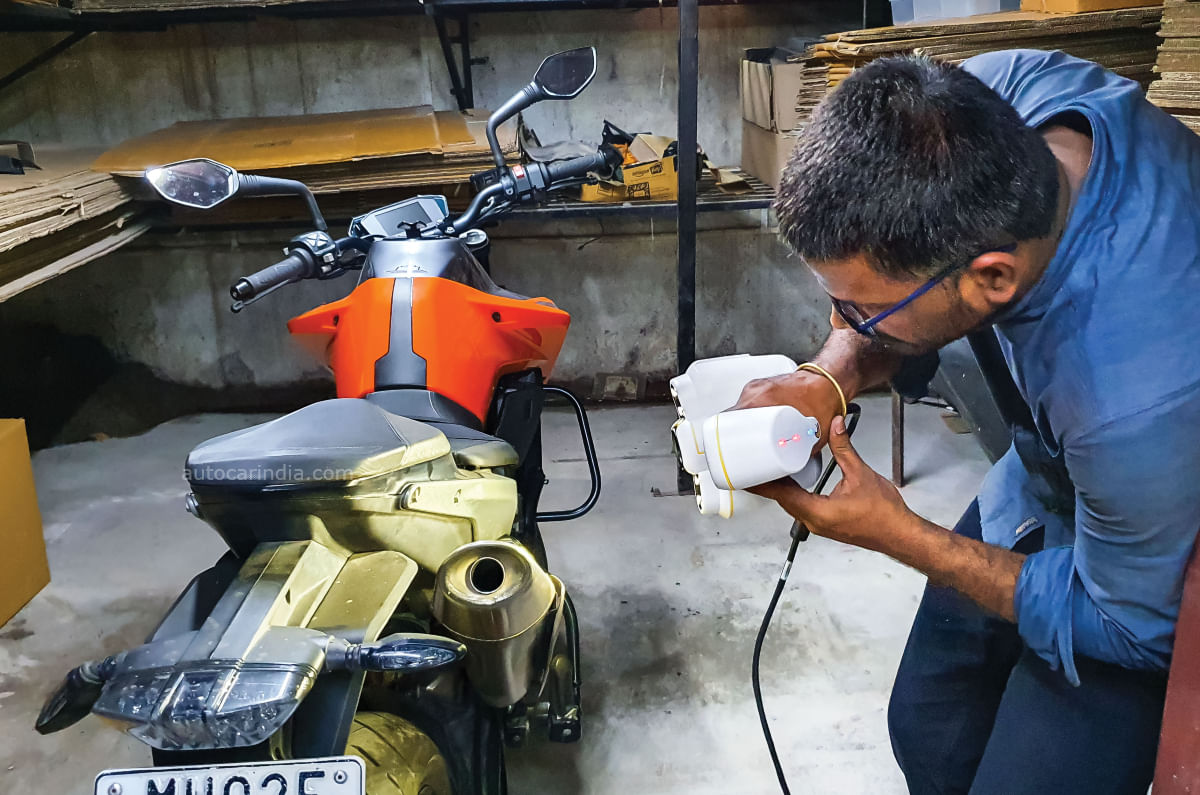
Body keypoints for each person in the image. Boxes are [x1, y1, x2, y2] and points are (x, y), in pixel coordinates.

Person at [736, 50, 1200, 794]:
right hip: (1051, 472)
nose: (842, 322)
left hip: (1148, 564)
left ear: (993, 277)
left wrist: (900, 534)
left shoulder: (1131, 401)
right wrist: (832, 371)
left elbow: (1132, 628)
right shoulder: (986, 98)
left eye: (863, 310)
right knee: (929, 726)